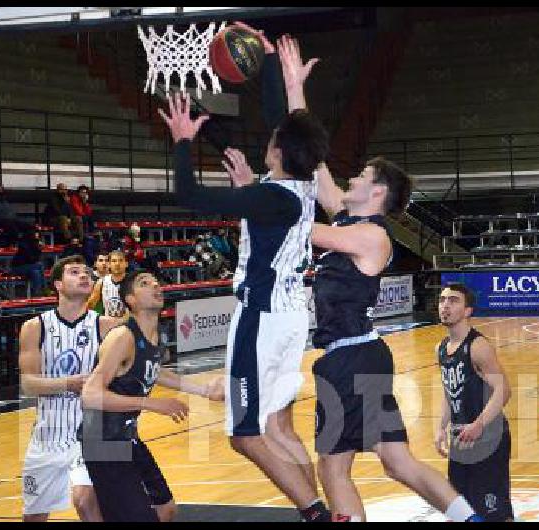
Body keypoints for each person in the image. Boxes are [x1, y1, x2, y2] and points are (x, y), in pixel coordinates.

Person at [158, 28, 334, 522]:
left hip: (261, 320)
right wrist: (276, 68)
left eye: (274, 138)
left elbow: (190, 199)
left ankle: (316, 513)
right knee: (280, 429)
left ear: (279, 150)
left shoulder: (273, 194)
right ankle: (326, 510)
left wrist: (182, 144)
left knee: (243, 434)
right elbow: (285, 124)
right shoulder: (294, 188)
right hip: (291, 318)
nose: (270, 136)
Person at [310, 154, 482, 519]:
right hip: (362, 355)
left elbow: (300, 231)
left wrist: (255, 197)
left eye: (360, 174)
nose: (351, 179)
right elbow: (317, 164)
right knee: (396, 460)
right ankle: (471, 517)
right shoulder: (345, 220)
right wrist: (295, 97)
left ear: (377, 191)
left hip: (349, 359)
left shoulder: (370, 235)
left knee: (332, 466)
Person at [79, 269, 225, 522]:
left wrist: (204, 390)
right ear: (131, 300)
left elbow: (153, 371)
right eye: (144, 284)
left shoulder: (154, 335)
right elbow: (90, 395)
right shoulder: (122, 336)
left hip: (125, 434)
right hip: (102, 440)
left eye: (156, 282)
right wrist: (153, 403)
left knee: (165, 509)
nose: (156, 286)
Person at [17, 255, 122, 522]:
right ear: (58, 285)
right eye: (75, 272)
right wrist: (68, 383)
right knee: (34, 516)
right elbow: (28, 384)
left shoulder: (107, 326)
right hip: (47, 434)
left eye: (87, 272)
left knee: (85, 501)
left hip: (93, 429)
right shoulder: (34, 327)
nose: (85, 276)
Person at [436, 283, 513, 522]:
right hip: (461, 439)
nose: (445, 305)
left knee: (494, 511)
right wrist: (440, 427)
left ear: (468, 311)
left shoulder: (478, 346)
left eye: (453, 300)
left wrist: (479, 423)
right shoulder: (440, 348)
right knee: (459, 510)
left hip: (489, 438)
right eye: (442, 300)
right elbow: (450, 390)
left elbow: (504, 390)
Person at [85, 250, 127, 318]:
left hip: (128, 325)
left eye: (121, 260)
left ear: (126, 264)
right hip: (108, 325)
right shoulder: (102, 282)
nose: (117, 264)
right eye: (114, 261)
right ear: (109, 264)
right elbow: (90, 304)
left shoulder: (133, 281)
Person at [10, 231, 46, 297]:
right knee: (39, 266)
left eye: (38, 239)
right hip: (18, 268)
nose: (37, 240)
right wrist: (38, 249)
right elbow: (31, 259)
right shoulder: (24, 245)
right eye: (36, 239)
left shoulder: (35, 245)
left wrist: (39, 249)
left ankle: (37, 292)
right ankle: (44, 289)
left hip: (30, 268)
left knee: (36, 272)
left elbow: (36, 259)